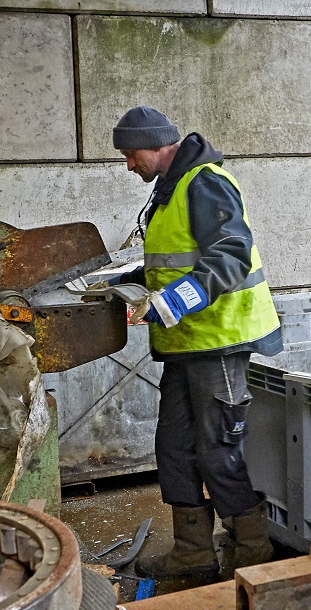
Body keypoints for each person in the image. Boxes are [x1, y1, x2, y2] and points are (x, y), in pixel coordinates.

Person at [112, 106, 282, 584]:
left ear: (155, 144)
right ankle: (192, 553)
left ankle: (252, 552)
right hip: (187, 344)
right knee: (174, 447)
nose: (129, 165)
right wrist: (130, 282)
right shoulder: (169, 192)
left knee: (218, 451)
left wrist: (167, 302)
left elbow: (230, 257)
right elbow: (178, 260)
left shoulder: (205, 182)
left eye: (130, 154)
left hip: (220, 343)